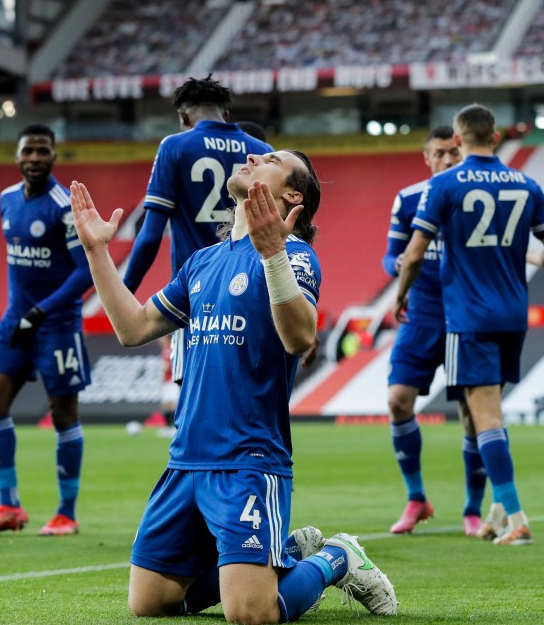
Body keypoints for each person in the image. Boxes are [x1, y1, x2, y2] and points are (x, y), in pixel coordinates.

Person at [69, 149, 397, 622]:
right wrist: (97, 250)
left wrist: (272, 255)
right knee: (150, 604)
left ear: (291, 194)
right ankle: (282, 550)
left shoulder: (296, 257)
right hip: (185, 460)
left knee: (251, 615)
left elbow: (300, 337)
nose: (251, 154)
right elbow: (133, 328)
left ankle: (337, 557)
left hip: (248, 459)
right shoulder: (203, 262)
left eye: (271, 158)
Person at [395, 104, 544, 546]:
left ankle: (517, 518)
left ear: (457, 140)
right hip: (513, 315)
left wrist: (399, 295)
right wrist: (529, 256)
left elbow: (413, 254)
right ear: (495, 137)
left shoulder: (445, 185)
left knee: (483, 416)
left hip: (469, 317)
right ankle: (492, 512)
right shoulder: (527, 184)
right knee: (488, 417)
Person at [0, 123, 94, 537]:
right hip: (13, 320)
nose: (35, 158)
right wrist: (24, 315)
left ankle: (66, 513)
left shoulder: (63, 206)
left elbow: (84, 273)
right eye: (28, 151)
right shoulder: (6, 200)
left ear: (55, 156)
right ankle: (9, 506)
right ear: (18, 155)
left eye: (43, 151)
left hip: (55, 323)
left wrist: (41, 312)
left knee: (62, 413)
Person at [122, 75, 273, 386]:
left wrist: (124, 292)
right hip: (250, 287)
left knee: (193, 397)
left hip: (195, 292)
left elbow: (150, 236)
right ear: (226, 114)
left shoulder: (175, 146)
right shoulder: (261, 151)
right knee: (241, 391)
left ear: (184, 117)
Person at [382, 126, 491, 536]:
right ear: (427, 158)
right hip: (422, 316)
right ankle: (416, 498)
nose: (448, 159)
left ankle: (472, 509)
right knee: (397, 400)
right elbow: (390, 256)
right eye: (440, 153)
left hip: (466, 318)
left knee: (470, 416)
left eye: (454, 152)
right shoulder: (409, 199)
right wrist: (401, 269)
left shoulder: (476, 201)